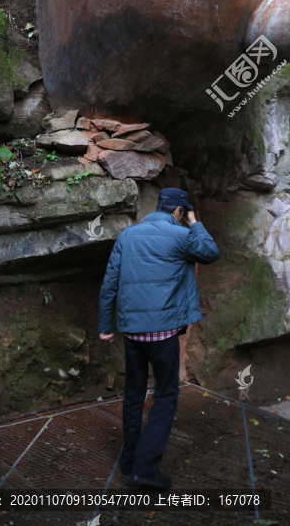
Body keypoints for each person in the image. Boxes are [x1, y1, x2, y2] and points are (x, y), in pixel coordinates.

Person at [98, 187, 219, 489]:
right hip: (163, 333)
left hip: (132, 332)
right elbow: (210, 252)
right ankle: (144, 468)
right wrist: (195, 223)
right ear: (179, 211)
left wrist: (105, 323)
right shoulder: (183, 236)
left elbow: (110, 281)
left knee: (134, 393)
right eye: (184, 213)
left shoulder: (127, 236)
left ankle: (129, 459)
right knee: (166, 394)